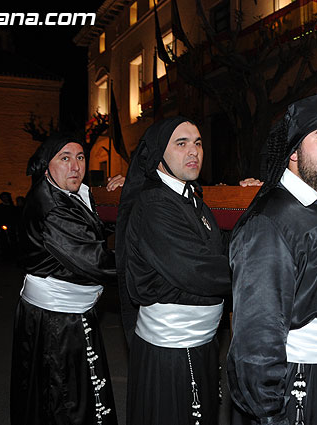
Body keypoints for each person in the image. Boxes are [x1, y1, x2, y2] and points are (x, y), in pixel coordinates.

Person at [227, 91, 317, 425]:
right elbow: (257, 340)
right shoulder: (271, 221)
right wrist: (270, 414)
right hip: (300, 386)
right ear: (292, 152)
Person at [116, 117, 232, 425]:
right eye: (181, 143)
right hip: (169, 353)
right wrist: (262, 269)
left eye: (197, 142)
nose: (193, 151)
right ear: (158, 154)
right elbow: (198, 270)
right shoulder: (154, 204)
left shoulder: (191, 199)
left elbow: (221, 247)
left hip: (199, 344)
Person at [11, 134, 118, 425]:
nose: (75, 166)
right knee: (64, 398)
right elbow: (96, 261)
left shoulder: (64, 193)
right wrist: (150, 261)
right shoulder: (52, 207)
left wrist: (124, 191)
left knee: (61, 393)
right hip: (58, 319)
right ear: (47, 167)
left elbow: (93, 225)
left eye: (81, 157)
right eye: (65, 158)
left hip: (61, 313)